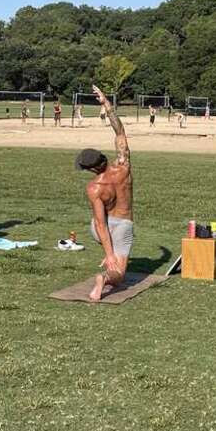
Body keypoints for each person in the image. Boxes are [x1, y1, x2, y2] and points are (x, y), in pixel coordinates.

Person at [76, 85, 133, 302]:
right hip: (123, 226)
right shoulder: (123, 167)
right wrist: (106, 103)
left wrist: (107, 252)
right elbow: (120, 131)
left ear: (91, 169)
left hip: (101, 229)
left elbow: (100, 224)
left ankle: (108, 263)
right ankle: (104, 279)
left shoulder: (94, 188)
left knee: (112, 255)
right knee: (118, 275)